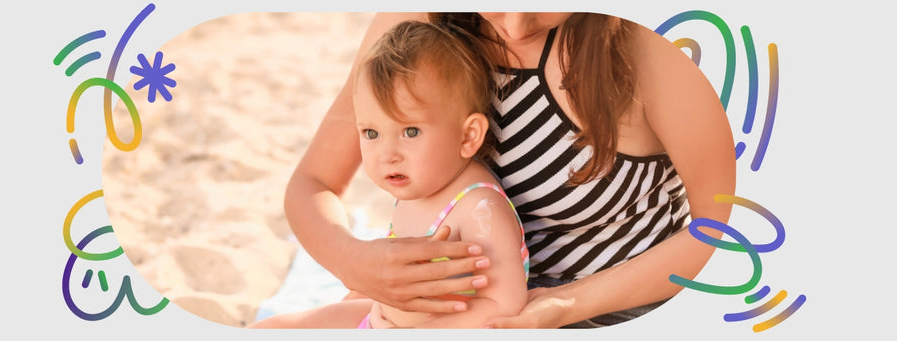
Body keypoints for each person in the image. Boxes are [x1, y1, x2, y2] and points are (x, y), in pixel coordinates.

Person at [281, 12, 736, 328]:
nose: (515, 25)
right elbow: (313, 182)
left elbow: (731, 229)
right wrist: (354, 262)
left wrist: (564, 304)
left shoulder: (648, 48)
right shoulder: (419, 31)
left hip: (615, 309)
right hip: (457, 311)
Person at [250, 20, 529, 328]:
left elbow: (505, 303)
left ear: (467, 136)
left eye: (410, 131)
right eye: (371, 133)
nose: (387, 154)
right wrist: (361, 293)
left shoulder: (479, 209)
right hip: (381, 319)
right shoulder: (420, 184)